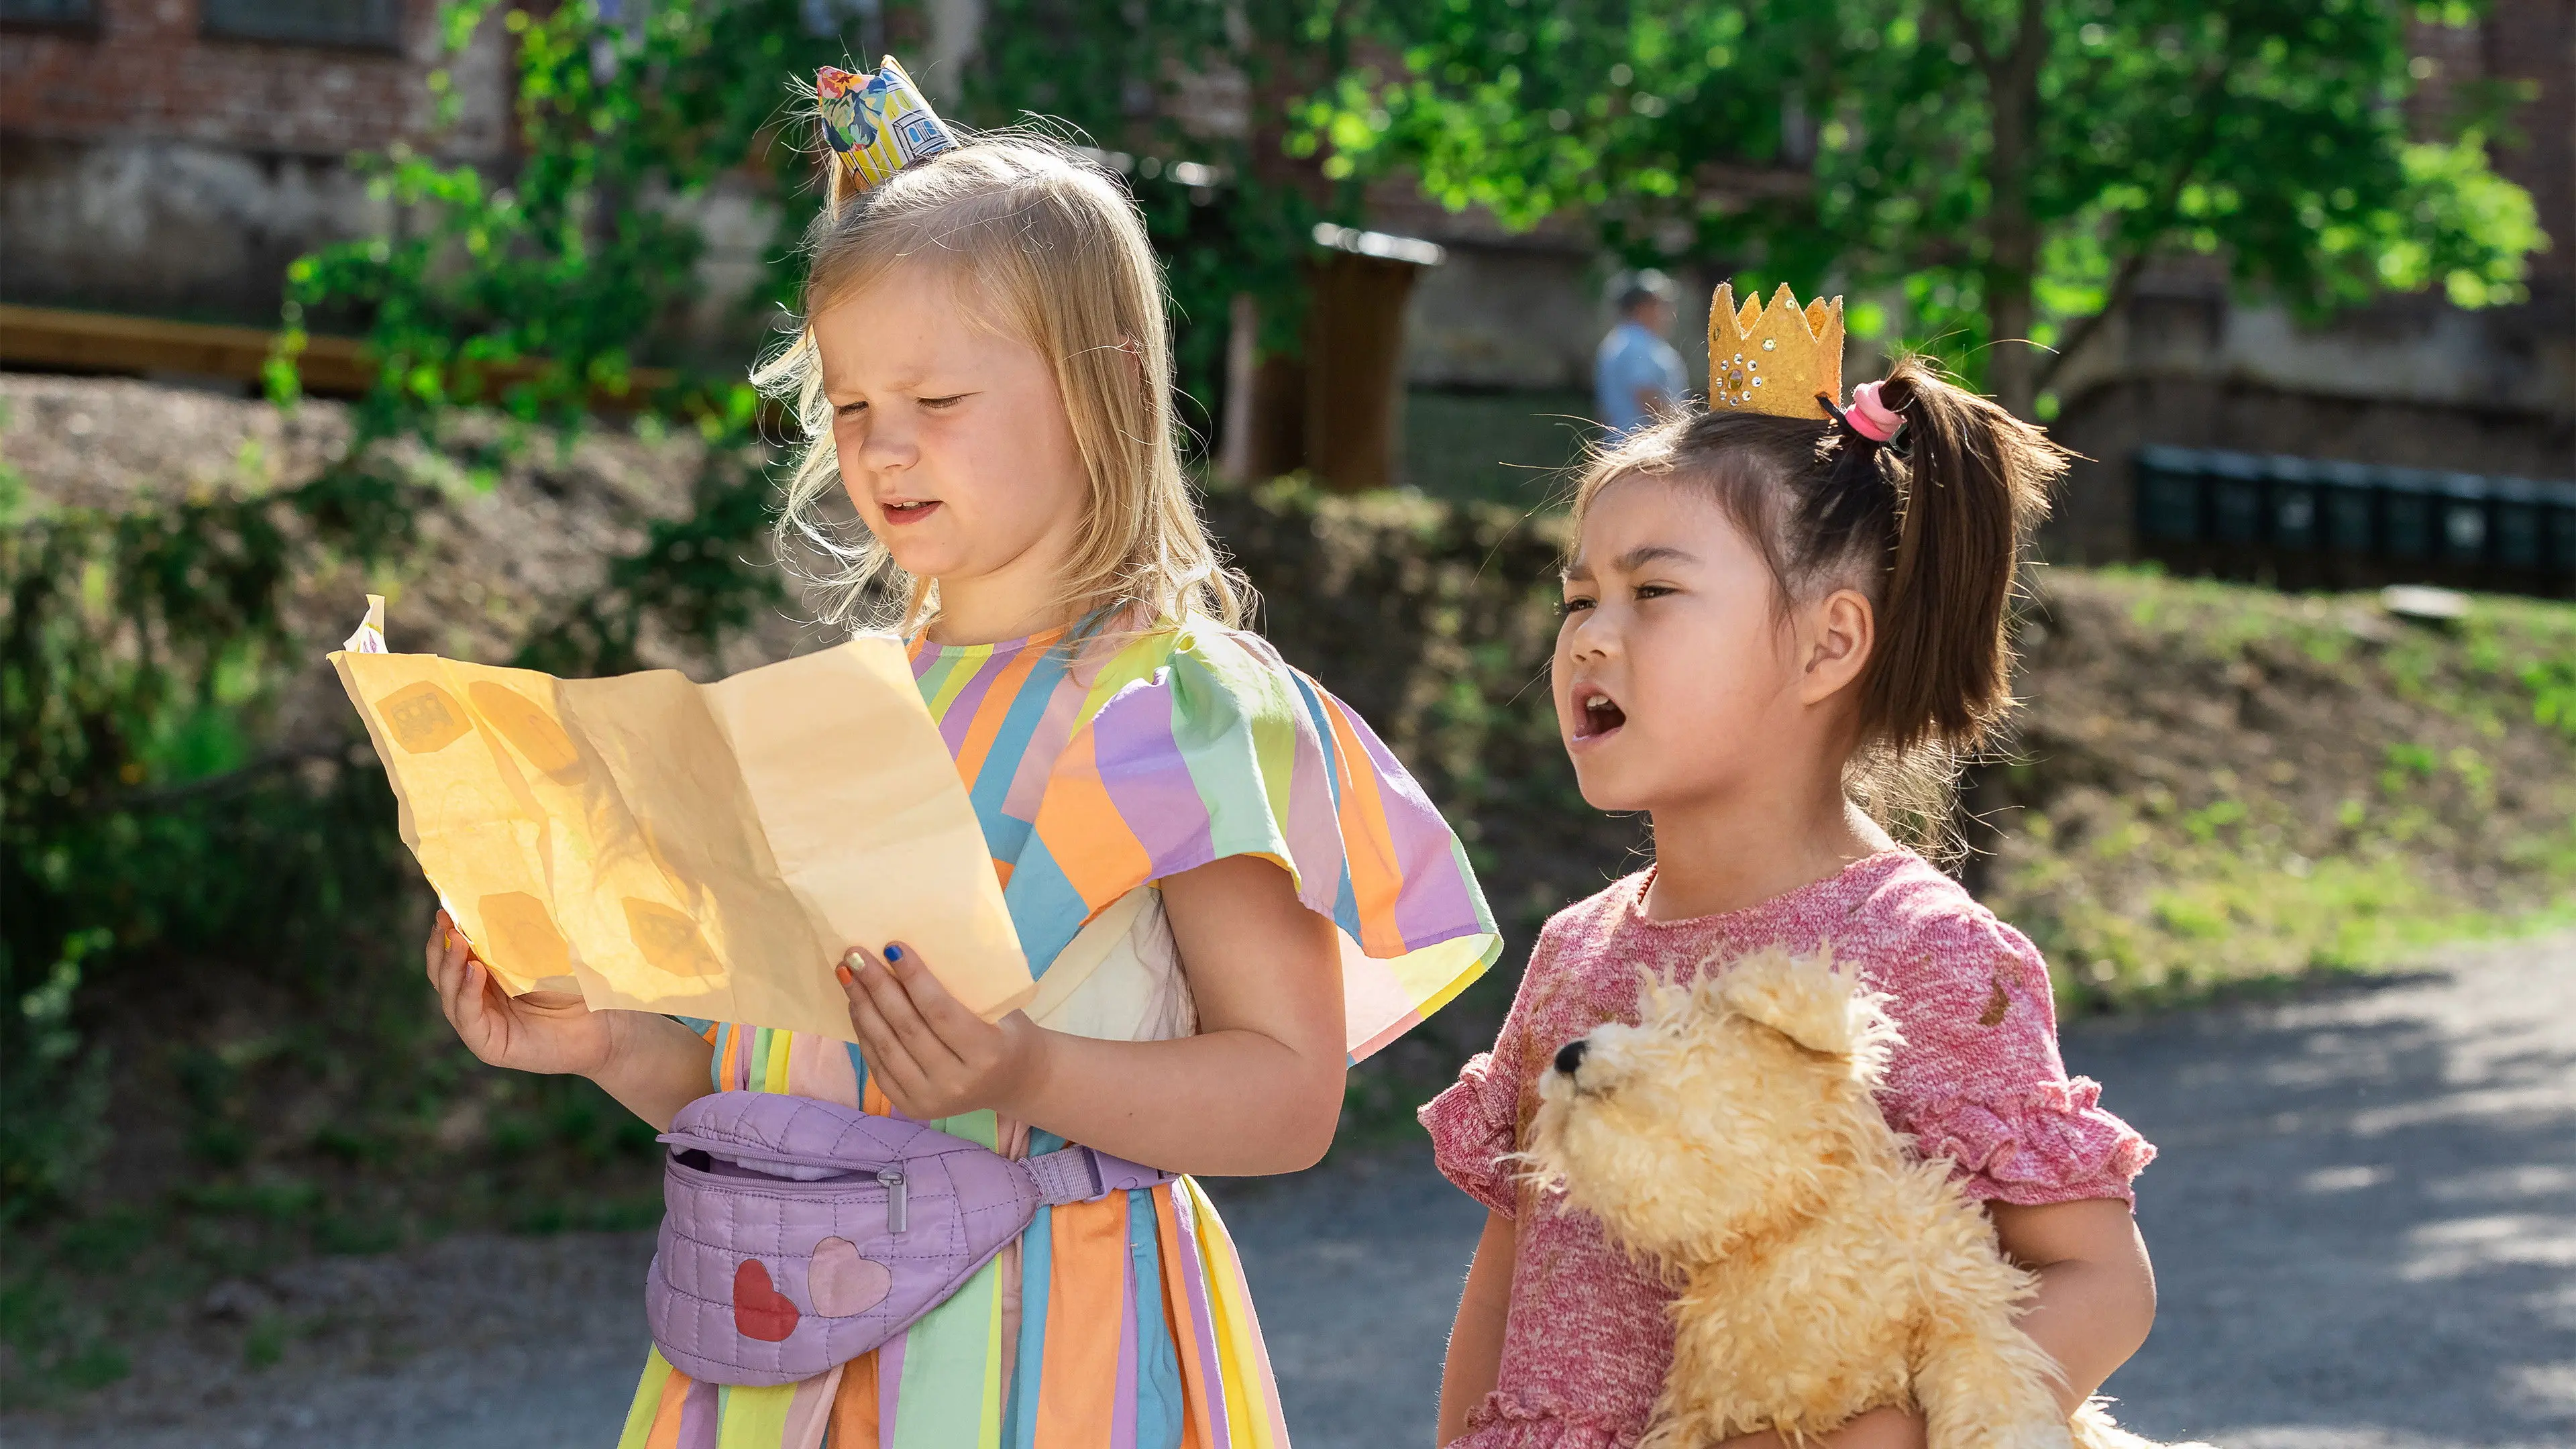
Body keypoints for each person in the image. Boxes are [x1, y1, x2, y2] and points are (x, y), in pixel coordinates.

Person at [423, 72, 1502, 1449]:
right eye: (854, 400)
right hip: (777, 1369)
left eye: (936, 394)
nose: (883, 445)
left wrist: (1025, 1075)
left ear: (1099, 391)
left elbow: (1289, 1099)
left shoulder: (1176, 712)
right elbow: (773, 1103)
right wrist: (604, 1043)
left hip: (1051, 1361)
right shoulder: (836, 713)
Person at [1425, 337, 2159, 1448]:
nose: (1590, 637)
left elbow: (2102, 1280)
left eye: (1653, 591)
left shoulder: (1925, 954)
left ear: (1829, 645)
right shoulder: (1576, 949)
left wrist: (1886, 1438)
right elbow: (1509, 1275)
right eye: (1579, 597)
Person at [1593, 272, 1687, 441]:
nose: (1669, 312)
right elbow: (1646, 395)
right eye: (1662, 304)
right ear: (1642, 307)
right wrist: (1684, 430)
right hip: (1645, 451)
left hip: (1624, 447)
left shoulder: (1619, 340)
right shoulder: (1637, 345)